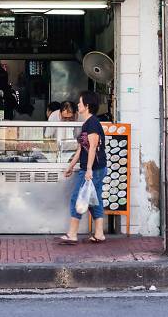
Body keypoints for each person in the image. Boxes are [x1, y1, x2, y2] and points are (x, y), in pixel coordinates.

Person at [56, 91, 107, 245]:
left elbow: (92, 148)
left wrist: (89, 170)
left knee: (77, 198)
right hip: (94, 168)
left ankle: (72, 234)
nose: (77, 105)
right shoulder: (87, 123)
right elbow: (81, 149)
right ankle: (99, 233)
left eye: (80, 103)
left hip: (94, 169)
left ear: (87, 106)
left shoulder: (93, 123)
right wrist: (71, 166)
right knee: (94, 200)